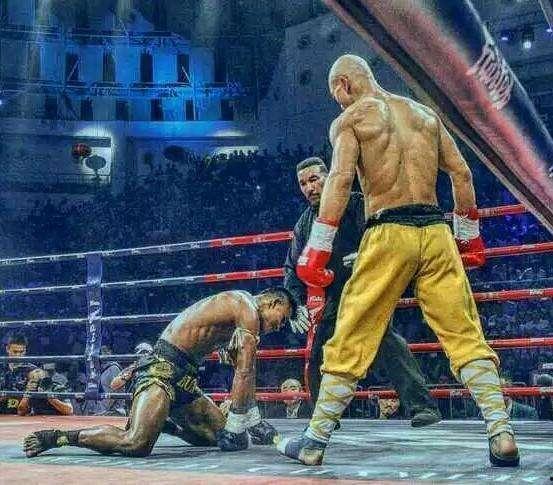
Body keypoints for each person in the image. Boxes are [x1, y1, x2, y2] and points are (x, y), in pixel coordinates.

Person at [277, 54, 519, 467]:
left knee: (352, 331)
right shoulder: (424, 114)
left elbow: (340, 180)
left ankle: (314, 440)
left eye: (335, 93)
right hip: (437, 231)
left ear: (343, 85)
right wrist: (468, 235)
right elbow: (462, 173)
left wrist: (318, 246)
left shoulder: (351, 119)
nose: (337, 101)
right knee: (464, 333)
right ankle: (501, 431)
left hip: (388, 231)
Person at [23, 287, 296, 458]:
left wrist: (244, 419)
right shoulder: (247, 308)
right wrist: (244, 417)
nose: (277, 327)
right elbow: (246, 371)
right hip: (159, 373)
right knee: (136, 444)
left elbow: (242, 368)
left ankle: (167, 424)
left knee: (227, 439)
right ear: (273, 303)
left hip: (185, 381)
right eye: (282, 319)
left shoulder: (237, 317)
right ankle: (58, 437)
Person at [285, 157, 440, 426]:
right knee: (320, 351)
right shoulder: (305, 222)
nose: (309, 188)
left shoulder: (357, 203)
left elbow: (387, 237)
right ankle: (323, 417)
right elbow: (293, 265)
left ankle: (423, 406)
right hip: (336, 295)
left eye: (314, 179)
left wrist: (366, 255)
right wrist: (293, 303)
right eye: (303, 183)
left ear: (329, 177)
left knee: (385, 341)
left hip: (370, 286)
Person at [0, 333, 37, 415]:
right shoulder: (1, 367)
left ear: (25, 350)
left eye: (21, 352)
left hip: (22, 414)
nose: (18, 356)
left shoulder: (32, 370)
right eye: (15, 352)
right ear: (7, 349)